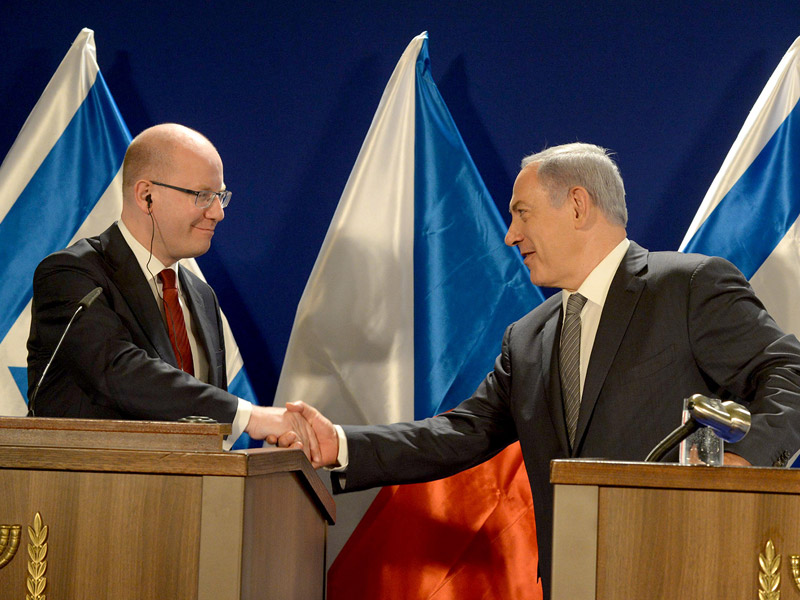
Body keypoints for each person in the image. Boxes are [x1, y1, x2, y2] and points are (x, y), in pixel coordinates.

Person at [282, 143, 800, 599]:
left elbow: (788, 371)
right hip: (570, 578)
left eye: (522, 213)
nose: (510, 235)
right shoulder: (528, 336)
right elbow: (461, 433)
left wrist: (747, 465)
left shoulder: (687, 287)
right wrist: (341, 445)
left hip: (680, 570)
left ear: (576, 205)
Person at [27, 123, 317, 458]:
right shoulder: (71, 275)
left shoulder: (202, 296)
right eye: (203, 196)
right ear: (146, 194)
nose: (218, 212)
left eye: (220, 195)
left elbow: (206, 427)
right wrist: (250, 417)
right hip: (91, 499)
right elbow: (118, 371)